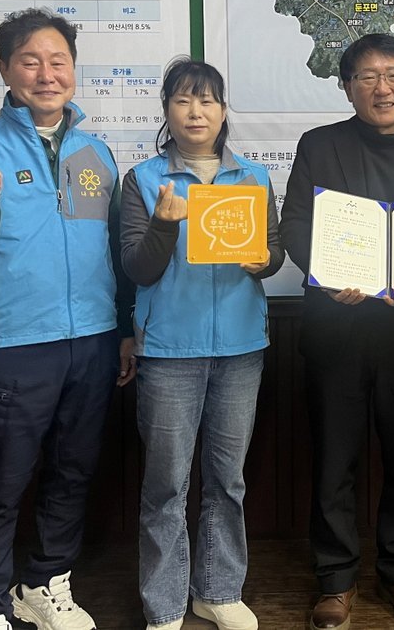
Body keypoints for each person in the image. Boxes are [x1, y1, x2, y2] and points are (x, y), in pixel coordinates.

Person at [0, 8, 135, 630]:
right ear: (5, 69)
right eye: (30, 61)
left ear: (73, 70)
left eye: (58, 61)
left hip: (93, 343)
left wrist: (123, 330)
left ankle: (44, 583)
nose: (46, 74)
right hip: (11, 346)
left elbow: (114, 253)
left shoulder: (96, 154)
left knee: (72, 474)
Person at [279, 33, 394, 630]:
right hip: (339, 327)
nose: (383, 88)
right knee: (334, 461)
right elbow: (295, 222)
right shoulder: (319, 144)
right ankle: (335, 579)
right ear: (346, 86)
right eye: (369, 77)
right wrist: (327, 275)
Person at [121, 59, 283, 630]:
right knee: (166, 484)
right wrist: (165, 224)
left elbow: (274, 251)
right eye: (184, 101)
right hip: (170, 350)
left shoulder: (253, 178)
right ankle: (165, 604)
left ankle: (218, 590)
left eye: (207, 100)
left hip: (241, 346)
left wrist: (266, 260)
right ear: (167, 110)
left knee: (227, 480)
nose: (196, 112)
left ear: (222, 110)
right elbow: (136, 268)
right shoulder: (144, 179)